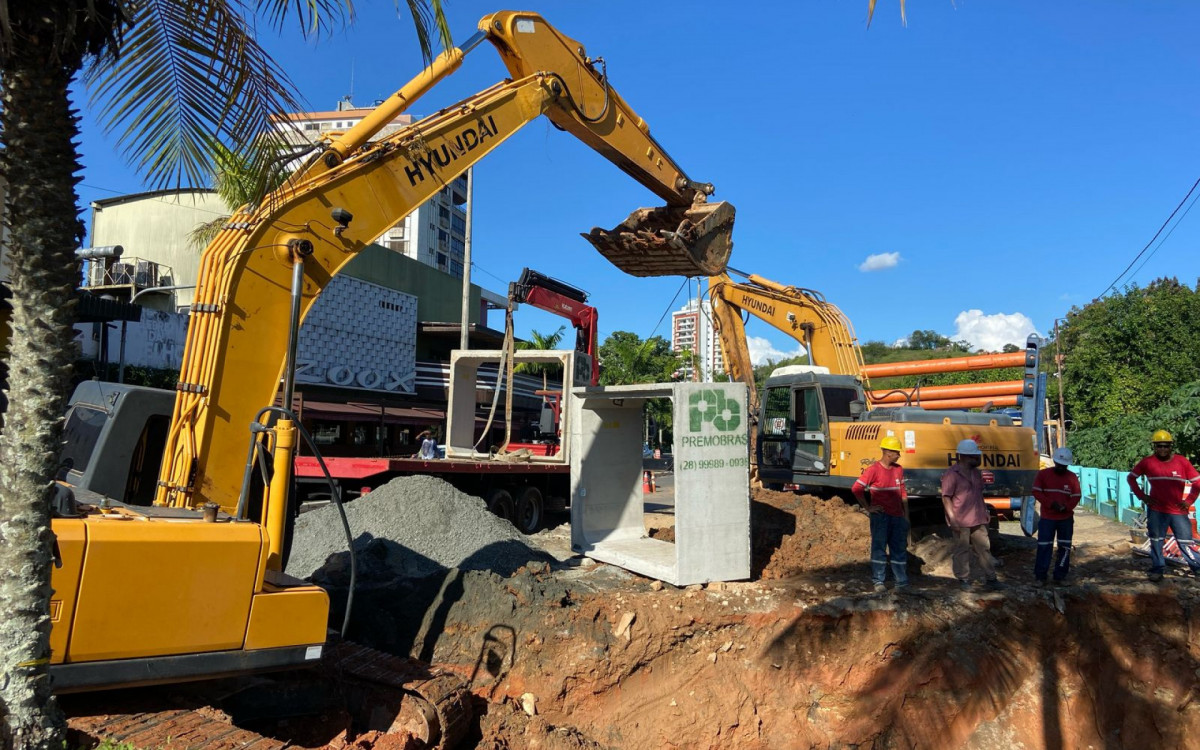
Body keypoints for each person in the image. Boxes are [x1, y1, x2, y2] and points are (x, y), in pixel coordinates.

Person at [1128, 429, 1200, 581]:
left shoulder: (1182, 462)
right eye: (1159, 446)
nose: (1162, 449)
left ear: (1171, 446)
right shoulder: (1147, 462)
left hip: (1178, 512)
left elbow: (1197, 482)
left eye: (1165, 446)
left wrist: (1188, 502)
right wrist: (1142, 496)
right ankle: (1158, 568)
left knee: (1186, 541)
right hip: (1156, 511)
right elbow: (1131, 478)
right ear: (1154, 447)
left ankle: (1197, 568)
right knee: (1156, 540)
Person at [852, 436, 910, 593]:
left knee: (898, 548)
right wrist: (868, 507)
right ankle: (878, 580)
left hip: (897, 516)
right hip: (881, 517)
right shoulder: (873, 470)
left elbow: (903, 493)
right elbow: (857, 488)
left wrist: (906, 517)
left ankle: (901, 581)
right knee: (879, 548)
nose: (898, 454)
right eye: (896, 452)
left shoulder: (898, 469)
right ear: (888, 453)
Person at [941, 438, 1001, 591]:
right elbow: (946, 497)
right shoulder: (951, 474)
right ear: (964, 456)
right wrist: (952, 519)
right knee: (962, 550)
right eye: (974, 457)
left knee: (984, 548)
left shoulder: (976, 473)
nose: (977, 459)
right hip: (960, 520)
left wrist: (985, 512)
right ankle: (964, 580)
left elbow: (978, 494)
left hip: (978, 518)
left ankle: (991, 578)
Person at [1032, 446, 1082, 586]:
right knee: (1044, 546)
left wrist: (1066, 507)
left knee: (1065, 547)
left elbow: (1076, 495)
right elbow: (1036, 491)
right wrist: (1050, 504)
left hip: (1065, 519)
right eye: (1059, 465)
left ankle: (1060, 576)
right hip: (1048, 518)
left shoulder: (1072, 477)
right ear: (1054, 462)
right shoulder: (1043, 475)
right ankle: (1040, 576)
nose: (1061, 468)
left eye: (1064, 466)